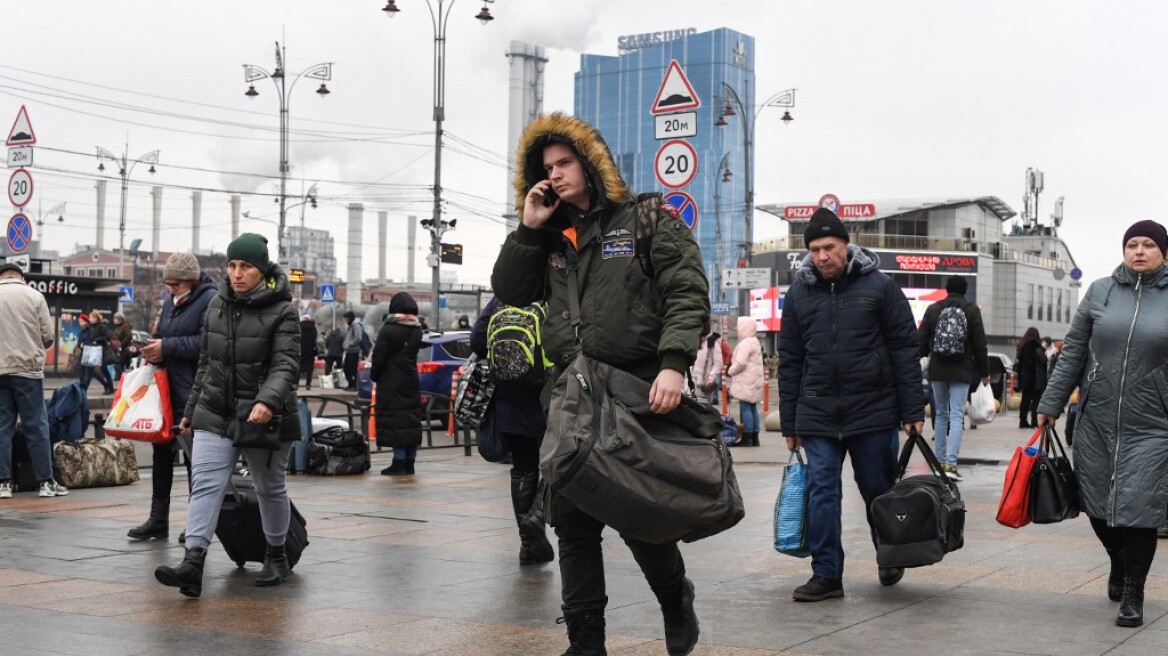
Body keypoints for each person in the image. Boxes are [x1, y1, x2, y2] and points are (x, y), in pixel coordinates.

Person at [491, 112, 709, 656]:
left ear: (591, 164)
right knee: (573, 522)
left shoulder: (648, 219)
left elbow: (687, 293)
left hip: (633, 390)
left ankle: (674, 598)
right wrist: (528, 227)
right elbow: (511, 292)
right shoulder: (550, 235)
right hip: (570, 396)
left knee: (637, 514)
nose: (557, 174)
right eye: (548, 168)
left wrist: (673, 364)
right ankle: (586, 642)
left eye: (565, 163)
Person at [777, 208, 924, 602]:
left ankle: (889, 553)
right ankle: (826, 574)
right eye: (814, 250)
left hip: (873, 410)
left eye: (829, 247)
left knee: (877, 489)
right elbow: (789, 361)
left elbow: (904, 349)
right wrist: (790, 422)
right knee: (822, 491)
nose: (822, 257)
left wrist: (913, 410)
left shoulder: (880, 287)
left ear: (846, 245)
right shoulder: (798, 295)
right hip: (818, 412)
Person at [1037, 219, 1168, 628]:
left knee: (1140, 506)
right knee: (1093, 501)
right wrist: (1050, 403)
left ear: (1164, 252)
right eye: (1133, 244)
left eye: (1149, 245)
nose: (1140, 251)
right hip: (1096, 417)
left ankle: (1134, 590)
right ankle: (1118, 559)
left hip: (1153, 422)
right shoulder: (1100, 291)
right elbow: (1073, 351)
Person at [154, 234, 300, 598]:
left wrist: (266, 401)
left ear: (262, 268)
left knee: (270, 488)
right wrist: (190, 411)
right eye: (232, 265)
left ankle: (276, 555)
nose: (237, 273)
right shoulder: (217, 305)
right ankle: (193, 562)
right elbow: (207, 364)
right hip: (216, 410)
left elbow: (286, 364)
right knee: (205, 485)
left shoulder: (283, 310)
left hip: (262, 415)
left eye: (246, 266)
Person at [127, 252, 217, 541]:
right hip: (166, 390)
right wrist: (150, 348)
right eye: (167, 284)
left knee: (195, 459)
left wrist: (166, 347)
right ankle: (157, 519)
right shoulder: (169, 302)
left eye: (175, 284)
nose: (169, 289)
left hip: (193, 391)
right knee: (161, 455)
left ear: (190, 280)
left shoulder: (210, 300)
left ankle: (196, 524)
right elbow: (162, 334)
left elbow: (207, 343)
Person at [470, 296, 555, 565]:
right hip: (549, 393)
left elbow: (477, 340)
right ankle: (537, 517)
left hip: (510, 395)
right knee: (561, 460)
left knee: (523, 468)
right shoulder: (553, 290)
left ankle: (529, 544)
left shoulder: (502, 296)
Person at [0, 262, 69, 499]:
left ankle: (4, 483)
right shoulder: (34, 296)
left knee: (2, 427)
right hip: (28, 371)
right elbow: (47, 337)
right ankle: (46, 483)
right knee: (36, 426)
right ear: (21, 277)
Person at [916, 275, 990, 482]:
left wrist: (916, 360)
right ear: (965, 290)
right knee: (957, 415)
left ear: (947, 289)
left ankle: (938, 462)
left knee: (940, 414)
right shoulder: (972, 310)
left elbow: (920, 340)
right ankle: (951, 464)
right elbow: (980, 344)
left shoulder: (934, 309)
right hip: (961, 370)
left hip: (937, 370)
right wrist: (984, 372)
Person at [369, 292, 423, 476]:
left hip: (391, 380)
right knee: (409, 420)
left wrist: (375, 375)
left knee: (396, 421)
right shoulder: (417, 328)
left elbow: (379, 356)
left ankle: (398, 462)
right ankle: (410, 463)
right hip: (411, 379)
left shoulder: (389, 328)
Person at [728, 316, 765, 447]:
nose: (738, 329)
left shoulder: (745, 343)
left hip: (746, 380)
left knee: (745, 408)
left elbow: (741, 362)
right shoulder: (754, 341)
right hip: (753, 380)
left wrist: (731, 370)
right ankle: (755, 437)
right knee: (753, 407)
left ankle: (747, 437)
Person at [1014, 326, 1047, 428]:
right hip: (1035, 378)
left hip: (1024, 378)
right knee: (1036, 401)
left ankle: (1022, 421)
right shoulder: (1036, 347)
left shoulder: (1021, 347)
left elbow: (1018, 365)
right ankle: (1034, 421)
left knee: (1025, 400)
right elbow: (1043, 361)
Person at [77, 313, 116, 395]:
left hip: (101, 350)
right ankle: (109, 387)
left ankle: (84, 389)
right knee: (99, 370)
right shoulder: (92, 327)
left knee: (99, 370)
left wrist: (96, 340)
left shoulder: (101, 326)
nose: (89, 319)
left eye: (91, 317)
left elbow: (107, 337)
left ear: (96, 318)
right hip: (94, 350)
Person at [690, 319, 723, 406]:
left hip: (703, 385)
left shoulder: (712, 341)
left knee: (702, 413)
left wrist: (711, 378)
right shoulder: (692, 339)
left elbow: (718, 363)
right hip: (689, 384)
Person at [341, 310, 363, 391]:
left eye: (346, 319)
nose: (345, 321)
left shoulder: (356, 325)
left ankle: (354, 386)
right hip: (349, 351)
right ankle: (350, 384)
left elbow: (358, 338)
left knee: (352, 369)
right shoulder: (350, 326)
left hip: (354, 351)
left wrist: (349, 344)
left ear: (350, 318)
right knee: (346, 368)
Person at [111, 313, 133, 380]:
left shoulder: (125, 326)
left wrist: (122, 344)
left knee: (117, 364)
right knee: (120, 364)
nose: (114, 320)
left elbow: (129, 336)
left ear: (120, 319)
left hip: (124, 348)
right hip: (119, 348)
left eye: (115, 318)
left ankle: (124, 378)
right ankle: (121, 379)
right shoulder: (117, 327)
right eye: (114, 318)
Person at [299, 313, 318, 390]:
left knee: (299, 368)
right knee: (309, 369)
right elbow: (315, 337)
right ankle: (308, 385)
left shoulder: (299, 327)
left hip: (300, 349)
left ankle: (295, 384)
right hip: (310, 350)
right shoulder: (313, 327)